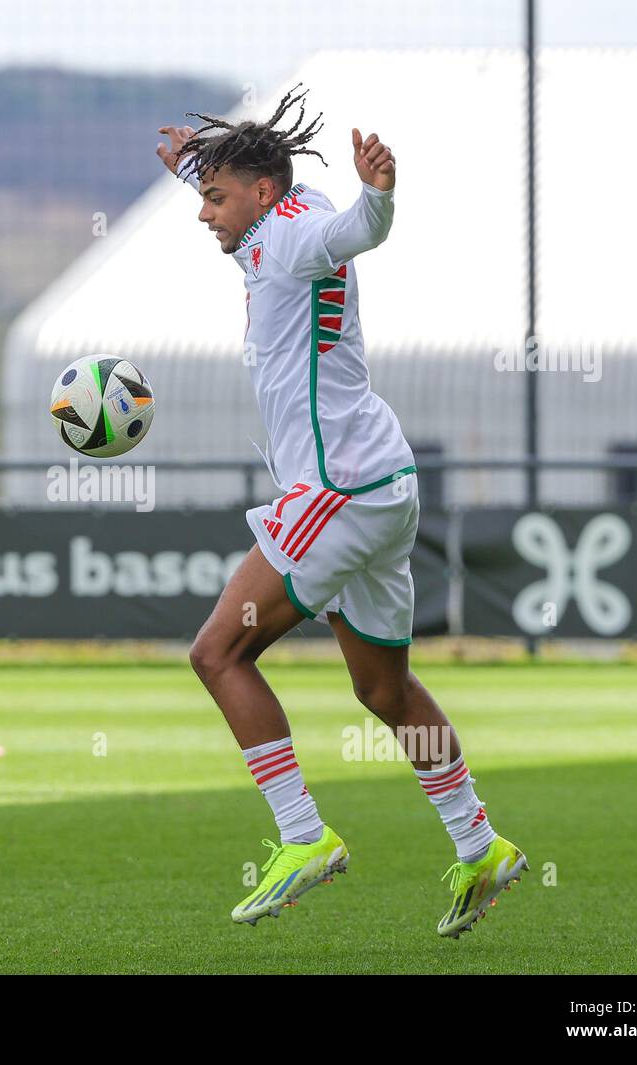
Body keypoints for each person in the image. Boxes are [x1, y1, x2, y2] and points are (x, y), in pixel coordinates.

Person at [157, 84, 526, 935]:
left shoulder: (293, 233)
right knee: (384, 688)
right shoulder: (280, 210)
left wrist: (381, 195)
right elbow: (285, 206)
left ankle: (301, 835)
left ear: (258, 195)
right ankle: (480, 845)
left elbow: (355, 231)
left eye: (215, 198)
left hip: (337, 491)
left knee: (218, 652)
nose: (203, 213)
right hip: (384, 484)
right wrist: (192, 168)